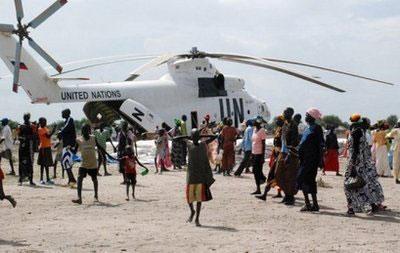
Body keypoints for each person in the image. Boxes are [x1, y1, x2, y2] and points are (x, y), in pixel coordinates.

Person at [344, 115, 385, 215]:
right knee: (363, 184)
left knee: (348, 184)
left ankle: (351, 208)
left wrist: (352, 165)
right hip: (363, 163)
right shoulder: (361, 132)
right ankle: (371, 205)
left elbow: (355, 150)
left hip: (355, 162)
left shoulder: (356, 132)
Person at [181, 129, 217, 227]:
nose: (196, 137)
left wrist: (199, 137)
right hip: (191, 175)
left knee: (199, 199)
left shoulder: (203, 144)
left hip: (200, 175)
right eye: (194, 136)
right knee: (189, 198)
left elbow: (214, 137)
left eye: (197, 135)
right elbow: (175, 139)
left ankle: (197, 218)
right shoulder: (189, 144)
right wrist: (190, 137)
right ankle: (192, 211)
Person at [296, 108, 324, 211]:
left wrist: (321, 160)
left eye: (307, 115)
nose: (305, 117)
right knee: (307, 181)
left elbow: (321, 145)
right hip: (304, 159)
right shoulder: (308, 128)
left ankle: (310, 204)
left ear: (312, 117)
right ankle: (312, 204)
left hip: (312, 160)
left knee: (303, 179)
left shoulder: (317, 128)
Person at [72, 124, 106, 204]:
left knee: (94, 179)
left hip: (93, 163)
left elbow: (99, 147)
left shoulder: (93, 138)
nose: (84, 132)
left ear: (89, 131)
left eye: (86, 130)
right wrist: (70, 148)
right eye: (83, 130)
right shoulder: (79, 140)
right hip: (84, 163)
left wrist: (104, 154)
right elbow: (75, 151)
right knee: (79, 178)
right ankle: (79, 198)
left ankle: (96, 196)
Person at [274, 107, 300, 205]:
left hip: (290, 153)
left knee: (290, 176)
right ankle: (287, 194)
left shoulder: (293, 125)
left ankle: (290, 197)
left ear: (291, 114)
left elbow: (294, 141)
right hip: (282, 152)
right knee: (278, 174)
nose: (284, 113)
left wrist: (289, 153)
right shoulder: (285, 124)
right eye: (284, 112)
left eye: (286, 112)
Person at [256, 116, 284, 201]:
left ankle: (264, 194)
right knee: (276, 175)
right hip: (276, 154)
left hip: (280, 155)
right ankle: (278, 193)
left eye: (278, 120)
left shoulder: (283, 130)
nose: (276, 121)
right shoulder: (278, 129)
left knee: (273, 174)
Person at [17, 113, 36, 186]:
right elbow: (18, 136)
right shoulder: (20, 126)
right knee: (21, 162)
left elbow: (34, 136)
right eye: (25, 117)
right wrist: (24, 138)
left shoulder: (32, 126)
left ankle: (30, 180)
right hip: (23, 146)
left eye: (27, 117)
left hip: (28, 147)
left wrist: (26, 137)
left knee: (30, 163)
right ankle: (21, 179)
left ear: (29, 117)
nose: (26, 118)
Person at [59, 109, 77, 186]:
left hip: (69, 145)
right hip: (66, 144)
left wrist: (60, 132)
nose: (61, 114)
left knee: (66, 162)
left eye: (62, 113)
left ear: (66, 113)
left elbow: (65, 129)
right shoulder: (66, 121)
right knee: (66, 162)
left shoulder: (70, 120)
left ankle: (72, 179)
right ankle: (70, 180)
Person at [37, 117, 56, 185]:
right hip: (43, 148)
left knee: (47, 164)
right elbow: (48, 136)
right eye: (44, 121)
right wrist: (53, 130)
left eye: (45, 121)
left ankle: (47, 178)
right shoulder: (40, 129)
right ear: (40, 122)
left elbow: (48, 135)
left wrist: (52, 130)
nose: (45, 123)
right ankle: (41, 179)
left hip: (47, 147)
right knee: (43, 164)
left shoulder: (45, 128)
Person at [251, 118, 267, 194]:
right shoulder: (254, 130)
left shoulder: (262, 130)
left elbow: (263, 144)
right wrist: (251, 154)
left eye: (254, 121)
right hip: (254, 153)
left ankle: (258, 188)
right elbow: (253, 142)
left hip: (259, 154)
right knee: (255, 171)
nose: (253, 122)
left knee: (256, 171)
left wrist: (263, 157)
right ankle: (262, 180)